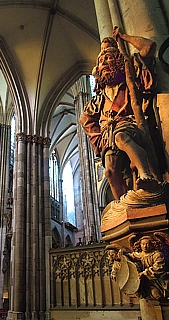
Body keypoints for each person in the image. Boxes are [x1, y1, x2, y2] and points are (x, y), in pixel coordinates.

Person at [80, 27, 161, 200]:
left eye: (109, 59)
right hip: (108, 133)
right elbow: (85, 118)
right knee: (110, 170)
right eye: (102, 62)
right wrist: (98, 138)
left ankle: (145, 174)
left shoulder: (129, 81)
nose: (105, 64)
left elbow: (149, 46)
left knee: (121, 137)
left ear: (118, 61)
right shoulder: (100, 98)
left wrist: (124, 37)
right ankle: (122, 202)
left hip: (129, 124)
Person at [127, 235, 169, 300]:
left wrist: (144, 273)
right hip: (145, 282)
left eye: (147, 244)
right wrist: (119, 257)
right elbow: (128, 257)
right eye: (143, 244)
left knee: (157, 295)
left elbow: (158, 267)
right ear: (139, 245)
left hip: (157, 281)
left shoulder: (157, 254)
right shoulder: (139, 255)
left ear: (152, 245)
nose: (145, 246)